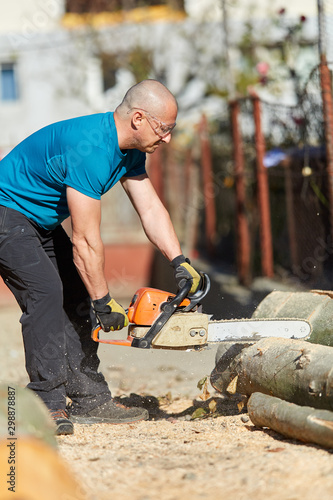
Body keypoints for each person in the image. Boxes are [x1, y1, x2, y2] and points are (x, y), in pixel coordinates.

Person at [0, 79, 202, 435]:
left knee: (75, 295)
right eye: (164, 128)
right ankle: (46, 403)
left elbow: (151, 208)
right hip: (7, 214)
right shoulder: (91, 148)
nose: (168, 138)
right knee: (46, 293)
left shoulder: (131, 151)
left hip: (37, 221)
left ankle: (89, 397)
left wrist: (179, 261)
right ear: (138, 119)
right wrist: (104, 300)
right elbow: (85, 240)